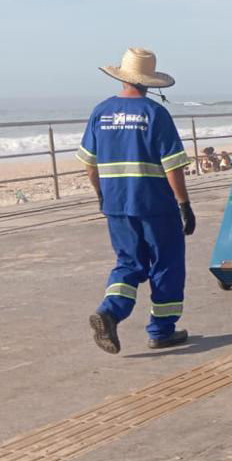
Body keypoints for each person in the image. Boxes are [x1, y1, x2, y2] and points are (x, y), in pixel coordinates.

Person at [78, 48, 195, 354]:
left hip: (117, 205)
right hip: (156, 205)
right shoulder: (155, 113)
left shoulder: (101, 112)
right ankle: (161, 331)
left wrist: (101, 194)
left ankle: (110, 312)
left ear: (123, 77)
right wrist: (184, 204)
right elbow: (172, 165)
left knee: (128, 263)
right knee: (166, 264)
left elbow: (90, 164)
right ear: (148, 82)